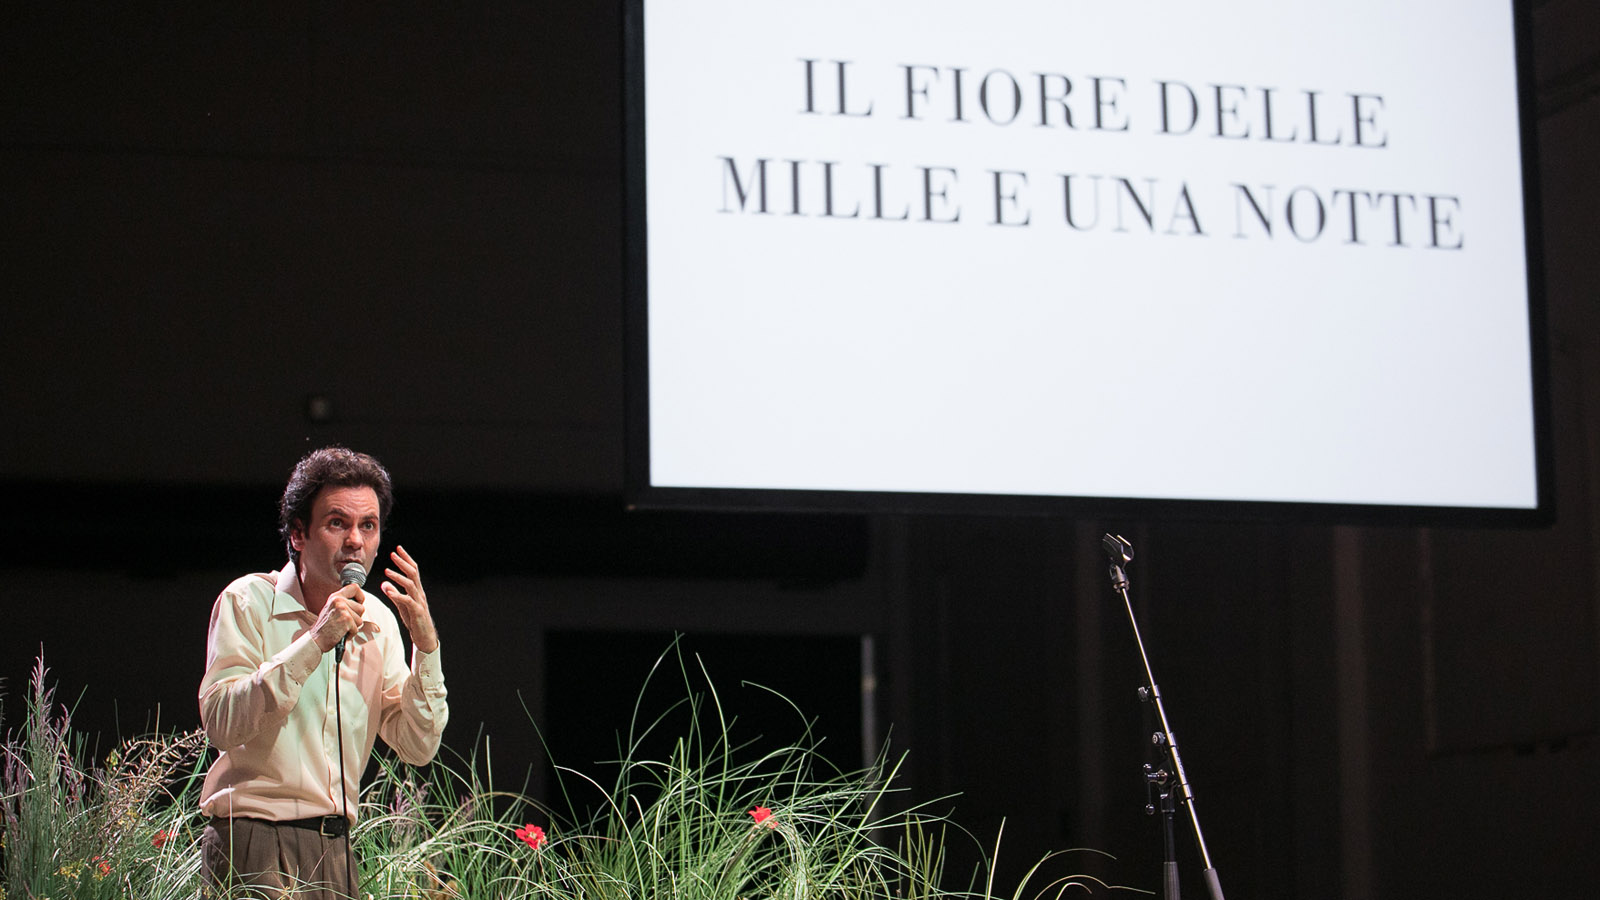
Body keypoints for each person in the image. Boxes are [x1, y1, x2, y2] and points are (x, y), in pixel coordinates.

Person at [198, 447, 448, 898]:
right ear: (298, 534)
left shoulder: (379, 622)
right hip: (254, 837)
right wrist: (315, 641)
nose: (355, 541)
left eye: (368, 526)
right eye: (337, 523)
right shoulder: (249, 601)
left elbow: (418, 746)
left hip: (334, 851)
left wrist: (426, 646)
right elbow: (221, 723)